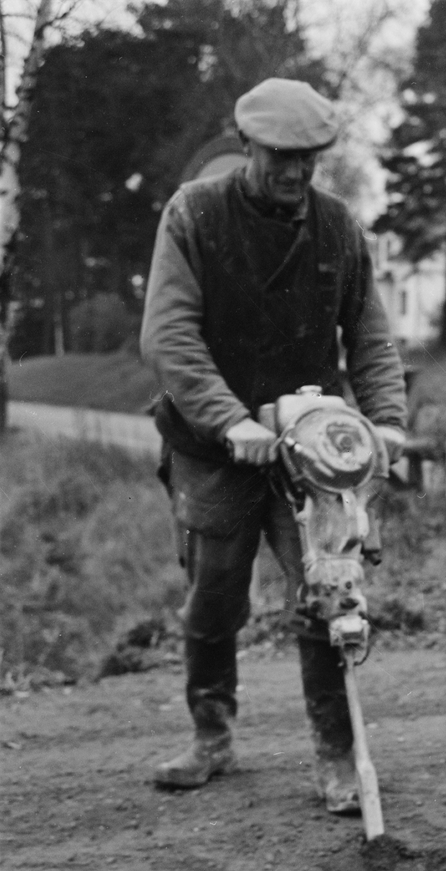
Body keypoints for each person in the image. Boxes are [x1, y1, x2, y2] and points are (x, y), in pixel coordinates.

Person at [141, 77, 409, 814]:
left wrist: (385, 423)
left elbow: (371, 338)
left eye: (309, 160)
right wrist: (232, 421)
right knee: (213, 597)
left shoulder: (336, 228)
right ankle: (211, 737)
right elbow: (169, 335)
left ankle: (334, 757)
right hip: (212, 443)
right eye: (280, 158)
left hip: (309, 450)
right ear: (248, 145)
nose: (294, 174)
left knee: (329, 592)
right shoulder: (194, 214)